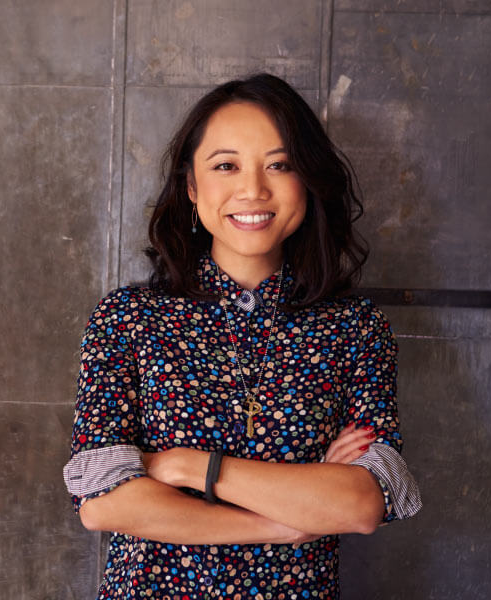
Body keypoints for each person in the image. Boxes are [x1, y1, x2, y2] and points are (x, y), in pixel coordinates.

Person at [63, 73, 421, 599]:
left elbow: (363, 504)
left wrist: (186, 467)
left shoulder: (356, 328)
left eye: (279, 165)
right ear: (191, 186)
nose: (253, 190)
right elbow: (104, 503)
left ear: (308, 181)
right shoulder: (128, 319)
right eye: (226, 166)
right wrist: (286, 523)